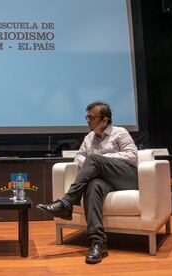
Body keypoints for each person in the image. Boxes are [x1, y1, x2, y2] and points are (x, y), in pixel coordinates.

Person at [36, 101, 138, 264]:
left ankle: (66, 203)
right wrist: (94, 165)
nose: (87, 120)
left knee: (94, 160)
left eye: (91, 117)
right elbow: (79, 156)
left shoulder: (120, 133)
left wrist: (100, 161)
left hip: (127, 177)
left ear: (104, 120)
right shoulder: (89, 137)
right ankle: (98, 242)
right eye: (87, 117)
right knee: (93, 186)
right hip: (105, 181)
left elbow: (132, 156)